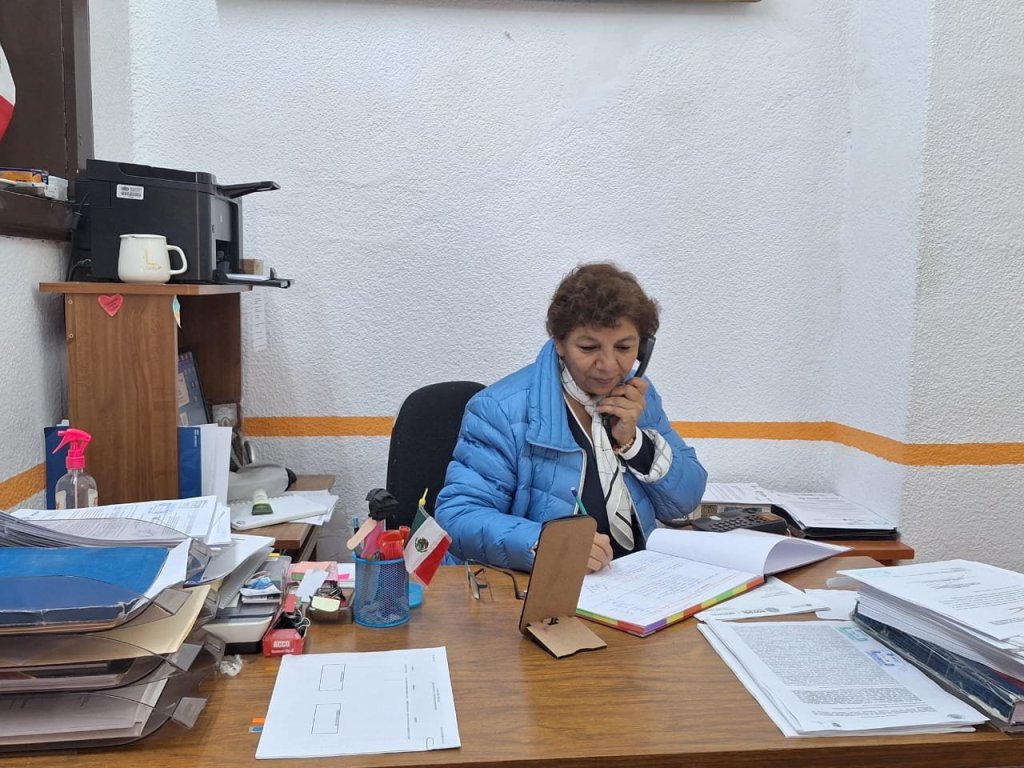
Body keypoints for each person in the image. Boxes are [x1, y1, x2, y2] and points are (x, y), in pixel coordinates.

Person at [435, 262, 707, 573]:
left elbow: (687, 500)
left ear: (643, 348)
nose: (608, 365)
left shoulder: (638, 395)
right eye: (589, 348)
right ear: (560, 343)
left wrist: (635, 443)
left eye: (624, 347)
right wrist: (549, 544)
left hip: (634, 577)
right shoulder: (499, 409)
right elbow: (458, 516)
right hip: (545, 582)